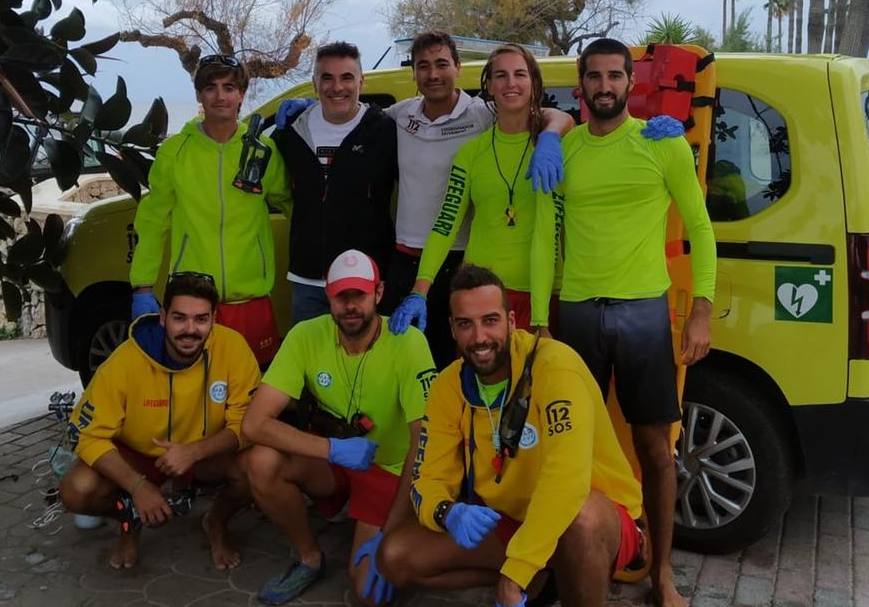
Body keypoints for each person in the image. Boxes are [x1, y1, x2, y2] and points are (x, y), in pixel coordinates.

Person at [378, 264, 643, 607]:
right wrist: (445, 512)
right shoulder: (447, 387)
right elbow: (427, 480)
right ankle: (546, 579)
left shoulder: (554, 366)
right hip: (515, 520)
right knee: (394, 557)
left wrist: (512, 572)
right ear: (452, 330)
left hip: (602, 514)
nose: (480, 337)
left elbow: (567, 478)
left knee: (578, 523)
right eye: (465, 324)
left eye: (490, 320)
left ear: (512, 321)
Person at [531, 38, 717, 607]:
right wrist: (539, 321)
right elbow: (543, 240)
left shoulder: (661, 145)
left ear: (629, 82)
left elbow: (700, 228)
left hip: (642, 313)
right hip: (579, 313)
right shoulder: (563, 151)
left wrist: (702, 310)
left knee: (655, 451)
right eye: (594, 76)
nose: (604, 86)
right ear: (580, 84)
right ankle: (567, 562)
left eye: (615, 76)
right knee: (568, 446)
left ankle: (662, 573)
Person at [242, 249, 436, 606]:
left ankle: (406, 530)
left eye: (359, 295)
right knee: (261, 462)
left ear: (378, 293)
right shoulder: (305, 335)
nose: (350, 306)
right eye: (340, 296)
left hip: (389, 469)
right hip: (335, 458)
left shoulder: (408, 342)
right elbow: (254, 423)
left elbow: (424, 443)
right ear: (327, 296)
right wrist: (332, 450)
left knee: (369, 595)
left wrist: (391, 527)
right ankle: (308, 558)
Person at [383, 31, 570, 365]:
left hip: (536, 294)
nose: (510, 83)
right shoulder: (471, 152)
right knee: (474, 396)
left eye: (520, 74)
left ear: (534, 83)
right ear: (489, 85)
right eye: (500, 75)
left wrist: (540, 320)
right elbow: (445, 223)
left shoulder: (552, 148)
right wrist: (419, 292)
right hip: (478, 296)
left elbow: (546, 233)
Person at [60, 271, 259, 571]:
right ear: (163, 317)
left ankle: (216, 521)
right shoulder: (124, 360)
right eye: (180, 318)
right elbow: (87, 435)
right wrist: (138, 486)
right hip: (138, 458)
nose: (190, 329)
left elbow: (247, 423)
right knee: (76, 489)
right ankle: (131, 518)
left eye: (201, 319)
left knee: (260, 466)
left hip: (202, 454)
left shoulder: (233, 347)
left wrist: (193, 452)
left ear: (214, 319)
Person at [129, 53, 291, 369]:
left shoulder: (262, 150)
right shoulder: (175, 152)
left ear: (242, 94)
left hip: (251, 301)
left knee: (251, 400)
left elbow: (293, 204)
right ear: (199, 94)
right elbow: (152, 221)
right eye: (211, 87)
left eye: (229, 87)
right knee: (195, 399)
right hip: (194, 305)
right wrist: (142, 286)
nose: (220, 96)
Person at [270, 42, 398, 327]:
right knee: (309, 366)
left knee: (364, 366)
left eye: (347, 77)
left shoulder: (385, 130)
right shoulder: (290, 132)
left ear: (361, 82)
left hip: (366, 278)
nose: (337, 87)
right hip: (308, 280)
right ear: (315, 82)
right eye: (327, 77)